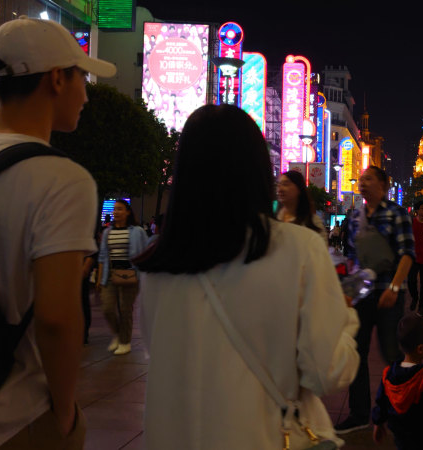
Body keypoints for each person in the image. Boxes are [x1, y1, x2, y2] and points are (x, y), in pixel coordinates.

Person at [137, 105, 359, 448]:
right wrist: (346, 320)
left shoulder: (158, 266)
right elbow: (327, 371)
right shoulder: (298, 248)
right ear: (257, 171)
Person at [0, 15, 115, 449]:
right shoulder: (62, 179)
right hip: (11, 416)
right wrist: (64, 411)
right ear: (57, 79)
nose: (86, 96)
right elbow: (57, 317)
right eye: (83, 79)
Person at [337, 165, 415, 434]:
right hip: (362, 295)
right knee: (356, 352)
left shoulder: (396, 213)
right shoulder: (355, 217)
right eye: (361, 179)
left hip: (388, 293)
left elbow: (407, 254)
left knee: (391, 352)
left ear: (383, 185)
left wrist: (394, 289)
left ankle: (400, 410)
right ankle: (359, 414)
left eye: (369, 179)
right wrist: (349, 291)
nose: (363, 183)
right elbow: (351, 257)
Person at [371, 314, 423, 449]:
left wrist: (378, 423)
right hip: (422, 439)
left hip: (399, 436)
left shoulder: (388, 374)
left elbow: (381, 402)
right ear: (421, 349)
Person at [96, 199, 147, 356]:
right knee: (107, 308)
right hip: (110, 275)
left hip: (130, 275)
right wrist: (99, 278)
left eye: (120, 209)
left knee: (125, 309)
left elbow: (145, 252)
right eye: (115, 209)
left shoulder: (137, 231)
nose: (116, 212)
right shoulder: (107, 232)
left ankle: (125, 342)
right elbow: (103, 256)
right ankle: (117, 334)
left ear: (127, 212)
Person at [276, 170, 328, 245]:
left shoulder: (313, 222)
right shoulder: (276, 219)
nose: (280, 189)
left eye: (285, 184)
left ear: (299, 189)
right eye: (279, 185)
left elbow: (322, 251)